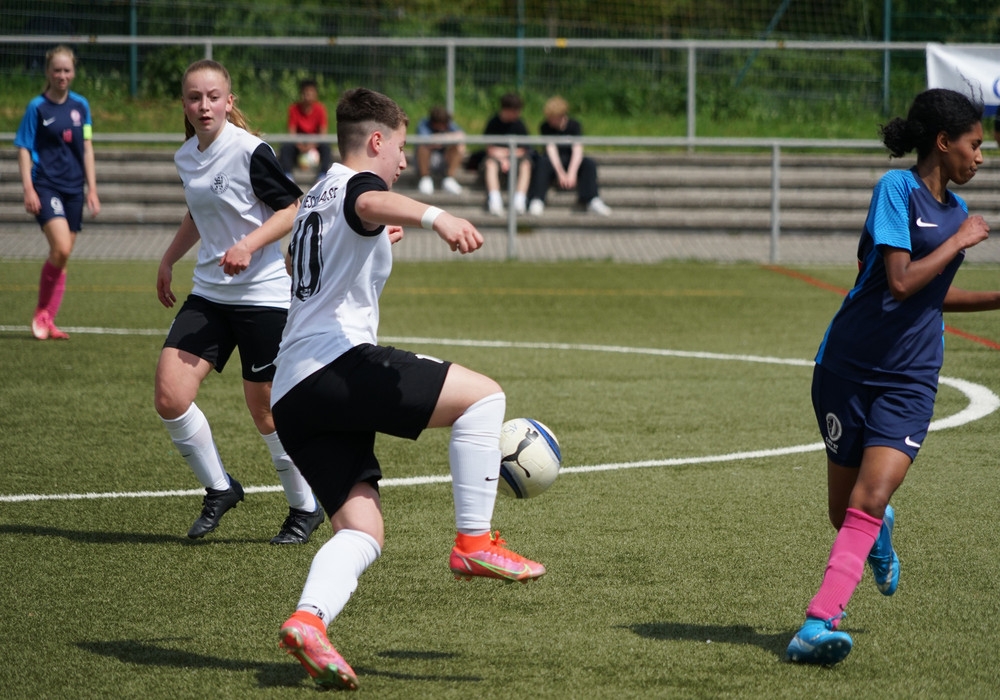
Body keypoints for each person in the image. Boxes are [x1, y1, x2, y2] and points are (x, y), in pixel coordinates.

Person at [270, 87, 546, 690]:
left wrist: (370, 241)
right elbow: (372, 198)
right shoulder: (354, 186)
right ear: (375, 141)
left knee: (362, 532)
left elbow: (299, 260)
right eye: (400, 147)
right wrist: (438, 216)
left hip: (292, 395)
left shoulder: (315, 195)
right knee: (483, 396)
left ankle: (308, 621)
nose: (403, 159)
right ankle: (474, 541)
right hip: (334, 366)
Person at [785, 88, 1000, 666]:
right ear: (942, 142)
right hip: (846, 368)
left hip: (911, 377)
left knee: (871, 495)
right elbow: (901, 281)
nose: (982, 156)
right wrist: (959, 241)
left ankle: (818, 621)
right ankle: (876, 532)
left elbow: (929, 298)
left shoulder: (955, 213)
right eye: (976, 145)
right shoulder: (896, 192)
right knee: (845, 512)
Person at [154, 59, 324, 545]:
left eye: (213, 96)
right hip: (209, 292)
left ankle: (304, 506)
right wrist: (168, 259)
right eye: (194, 97)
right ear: (184, 105)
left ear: (229, 101)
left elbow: (292, 207)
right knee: (170, 396)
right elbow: (197, 213)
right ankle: (220, 487)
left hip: (263, 296)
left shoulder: (251, 152)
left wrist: (248, 245)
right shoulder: (186, 156)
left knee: (265, 409)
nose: (203, 105)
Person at [14, 45, 100, 341]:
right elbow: (24, 148)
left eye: (67, 70)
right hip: (46, 185)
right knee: (61, 248)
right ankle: (42, 311)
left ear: (73, 72)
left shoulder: (81, 106)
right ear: (48, 72)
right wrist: (28, 188)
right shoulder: (36, 107)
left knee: (61, 256)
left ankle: (48, 320)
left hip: (74, 188)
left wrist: (92, 188)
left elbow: (86, 147)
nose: (62, 75)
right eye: (57, 70)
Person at [527, 96, 611, 217]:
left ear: (561, 116)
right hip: (554, 160)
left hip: (571, 159)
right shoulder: (545, 126)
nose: (550, 120)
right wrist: (561, 173)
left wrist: (571, 173)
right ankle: (537, 199)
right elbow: (551, 150)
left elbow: (577, 150)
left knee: (589, 164)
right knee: (542, 163)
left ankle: (593, 199)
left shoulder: (574, 125)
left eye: (553, 118)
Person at [481, 92, 533, 217]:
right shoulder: (493, 123)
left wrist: (506, 155)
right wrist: (504, 157)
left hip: (515, 159)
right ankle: (495, 200)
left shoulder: (520, 124)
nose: (517, 114)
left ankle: (519, 201)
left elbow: (524, 149)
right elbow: (489, 148)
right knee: (490, 164)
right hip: (496, 159)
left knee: (526, 164)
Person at [279, 79, 333, 181]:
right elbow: (292, 132)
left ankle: (323, 175)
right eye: (305, 93)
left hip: (315, 144)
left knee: (326, 148)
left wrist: (311, 146)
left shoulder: (320, 109)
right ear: (301, 94)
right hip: (298, 145)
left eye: (310, 93)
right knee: (285, 147)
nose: (307, 96)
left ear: (315, 94)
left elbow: (323, 133)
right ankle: (287, 175)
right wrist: (300, 146)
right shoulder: (294, 109)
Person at [415, 105, 466, 196]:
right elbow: (424, 141)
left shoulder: (448, 124)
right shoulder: (424, 124)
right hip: (427, 160)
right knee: (423, 147)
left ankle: (449, 179)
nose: (443, 127)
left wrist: (437, 139)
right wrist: (447, 138)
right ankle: (425, 178)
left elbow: (461, 136)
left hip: (444, 158)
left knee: (459, 147)